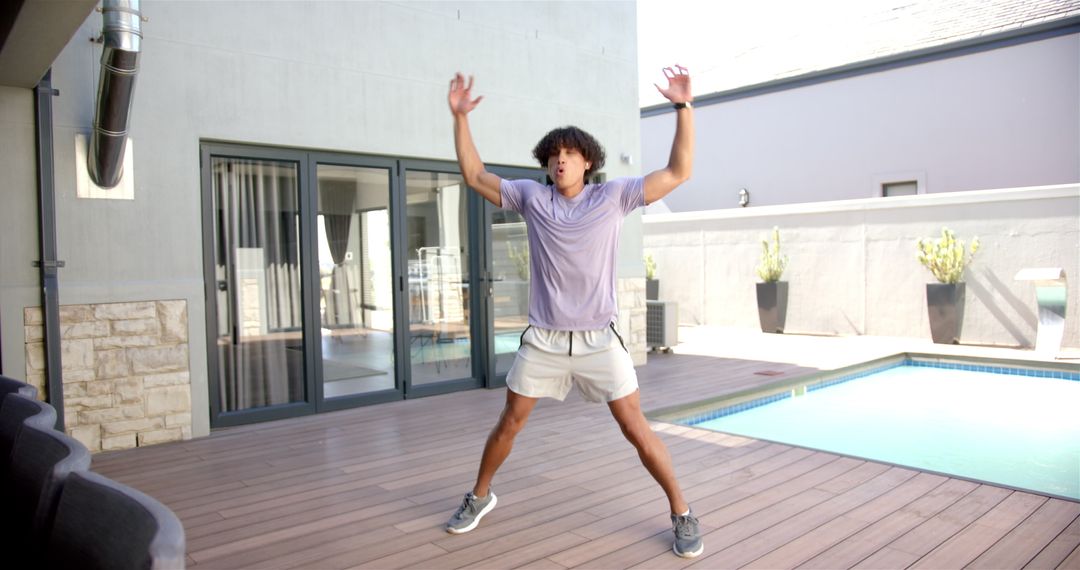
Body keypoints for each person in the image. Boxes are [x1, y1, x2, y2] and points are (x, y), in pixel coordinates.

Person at [443, 65, 701, 558]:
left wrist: (682, 108)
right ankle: (479, 496)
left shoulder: (614, 197)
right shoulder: (532, 199)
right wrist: (460, 118)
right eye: (554, 156)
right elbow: (475, 174)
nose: (560, 162)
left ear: (588, 163)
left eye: (570, 154)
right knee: (509, 422)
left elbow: (679, 172)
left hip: (598, 341)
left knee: (635, 428)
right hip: (543, 339)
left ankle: (682, 512)